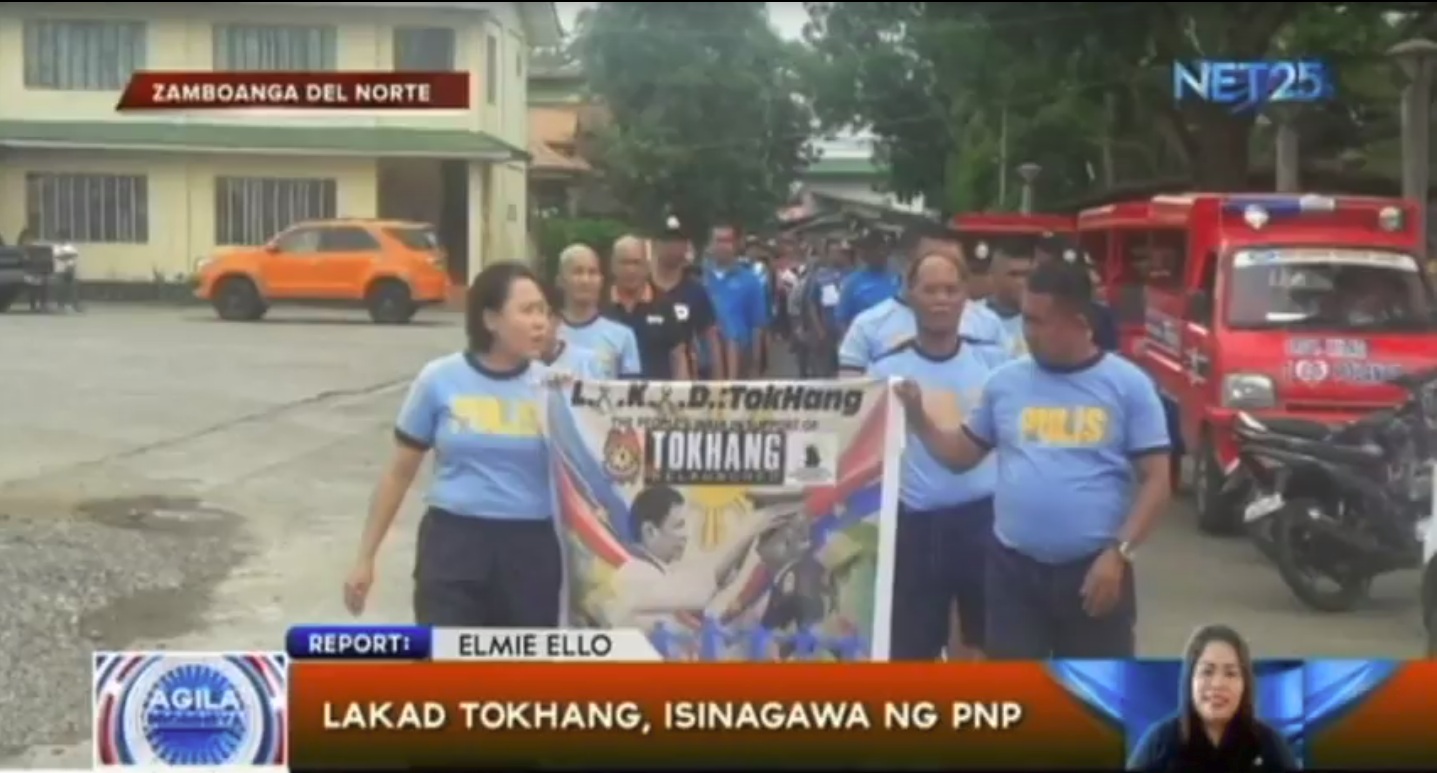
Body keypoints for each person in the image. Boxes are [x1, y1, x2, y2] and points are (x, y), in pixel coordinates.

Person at [895, 258, 1172, 659]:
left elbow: (1158, 481)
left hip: (1094, 572)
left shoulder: (1129, 385)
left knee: (1091, 692)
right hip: (1013, 575)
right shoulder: (1005, 383)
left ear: (1079, 323)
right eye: (1025, 318)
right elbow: (960, 457)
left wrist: (1119, 553)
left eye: (1039, 322)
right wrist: (918, 418)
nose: (1027, 332)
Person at [343, 262, 562, 627]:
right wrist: (365, 557)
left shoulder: (557, 389)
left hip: (529, 550)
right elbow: (398, 473)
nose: (540, 322)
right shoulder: (439, 379)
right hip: (454, 545)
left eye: (544, 311)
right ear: (491, 319)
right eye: (527, 311)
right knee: (446, 661)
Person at [868, 250, 1008, 661]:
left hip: (986, 520)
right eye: (930, 290)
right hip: (916, 526)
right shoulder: (884, 372)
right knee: (912, 649)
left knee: (987, 643)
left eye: (950, 289)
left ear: (967, 295)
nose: (941, 300)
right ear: (910, 294)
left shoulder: (995, 364)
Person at [603, 484, 796, 628]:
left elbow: (716, 587)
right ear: (650, 531)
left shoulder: (660, 574)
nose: (686, 534)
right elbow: (702, 590)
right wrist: (751, 529)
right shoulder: (632, 575)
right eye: (678, 525)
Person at [838, 223, 1007, 376]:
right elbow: (852, 388)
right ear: (904, 262)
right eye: (934, 260)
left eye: (955, 262)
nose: (944, 268)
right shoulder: (867, 327)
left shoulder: (988, 324)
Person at [1127, 624, 1299, 771]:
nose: (1217, 684)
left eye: (1230, 673)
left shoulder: (1270, 746)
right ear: (1189, 679)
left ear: (1245, 683)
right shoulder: (1160, 744)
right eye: (1207, 672)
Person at [606, 235, 690, 379]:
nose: (630, 270)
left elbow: (678, 357)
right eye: (624, 263)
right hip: (611, 391)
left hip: (657, 391)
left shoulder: (664, 304)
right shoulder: (601, 304)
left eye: (636, 263)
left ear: (646, 266)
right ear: (613, 266)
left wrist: (682, 389)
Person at [554, 243, 641, 379]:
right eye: (578, 272)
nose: (585, 280)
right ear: (560, 281)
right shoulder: (546, 334)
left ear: (601, 281)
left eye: (592, 272)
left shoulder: (623, 336)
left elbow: (630, 389)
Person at [651, 216, 722, 379]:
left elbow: (711, 340)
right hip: (647, 381)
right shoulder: (643, 289)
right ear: (655, 244)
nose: (672, 247)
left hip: (688, 380)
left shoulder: (696, 291)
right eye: (666, 241)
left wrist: (719, 383)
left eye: (678, 242)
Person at [704, 223, 769, 379]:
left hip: (740, 358)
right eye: (718, 240)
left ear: (735, 244)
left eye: (727, 241)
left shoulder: (750, 280)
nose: (722, 246)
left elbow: (757, 326)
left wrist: (756, 364)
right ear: (710, 244)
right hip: (705, 361)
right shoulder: (700, 278)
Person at [804, 239, 851, 377]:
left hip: (848, 331)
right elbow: (812, 303)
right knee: (825, 371)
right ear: (827, 254)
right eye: (833, 252)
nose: (836, 255)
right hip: (826, 330)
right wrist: (819, 329)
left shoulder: (852, 275)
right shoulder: (819, 276)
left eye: (839, 252)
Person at [836, 233, 901, 332]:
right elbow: (842, 319)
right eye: (870, 250)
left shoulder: (898, 277)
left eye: (881, 248)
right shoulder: (853, 282)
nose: (880, 253)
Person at [987, 247, 1034, 357]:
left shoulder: (1043, 321)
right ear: (993, 275)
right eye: (1014, 274)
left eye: (1027, 274)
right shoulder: (971, 317)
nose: (1022, 281)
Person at [52, 229, 81, 312]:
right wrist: (69, 255)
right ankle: (60, 305)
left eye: (62, 237)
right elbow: (57, 256)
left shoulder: (70, 247)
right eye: (59, 237)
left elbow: (74, 256)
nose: (60, 239)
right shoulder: (55, 247)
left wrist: (66, 257)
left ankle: (75, 305)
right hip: (58, 270)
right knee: (59, 288)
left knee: (73, 288)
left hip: (69, 270)